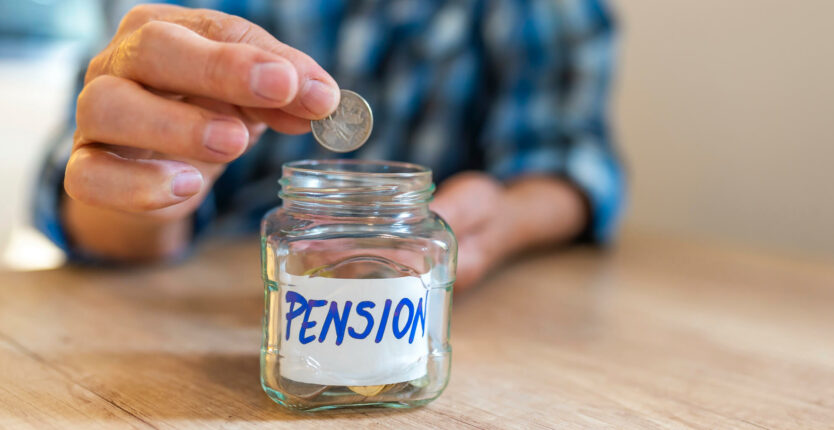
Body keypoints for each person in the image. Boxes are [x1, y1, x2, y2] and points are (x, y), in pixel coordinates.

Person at [34, 0, 624, 290]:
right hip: (190, 296)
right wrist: (145, 174)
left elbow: (573, 157)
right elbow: (88, 202)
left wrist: (506, 218)